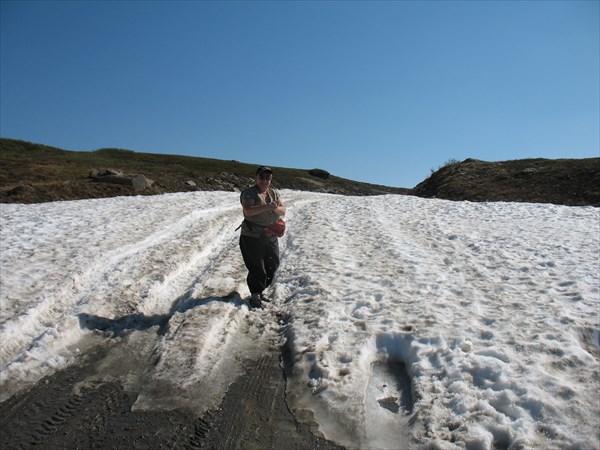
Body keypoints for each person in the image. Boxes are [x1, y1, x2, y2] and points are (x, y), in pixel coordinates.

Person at [239, 166, 286, 308]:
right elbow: (248, 211)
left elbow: (283, 210)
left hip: (270, 234)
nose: (265, 180)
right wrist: (267, 207)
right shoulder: (249, 193)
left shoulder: (274, 192)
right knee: (257, 266)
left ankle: (260, 290)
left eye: (268, 178)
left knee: (273, 264)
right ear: (256, 177)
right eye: (262, 177)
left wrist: (275, 208)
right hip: (252, 235)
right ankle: (255, 294)